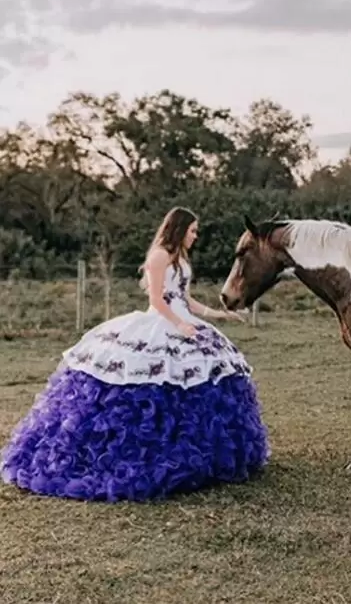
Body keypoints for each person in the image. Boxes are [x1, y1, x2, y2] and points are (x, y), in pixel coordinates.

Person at [0, 206, 270, 502]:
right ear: (179, 229)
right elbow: (156, 298)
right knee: (150, 380)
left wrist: (218, 315)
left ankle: (203, 458)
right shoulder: (159, 256)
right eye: (192, 230)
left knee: (210, 375)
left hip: (184, 322)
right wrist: (178, 323)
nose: (196, 236)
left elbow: (186, 299)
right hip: (160, 322)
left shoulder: (181, 258)